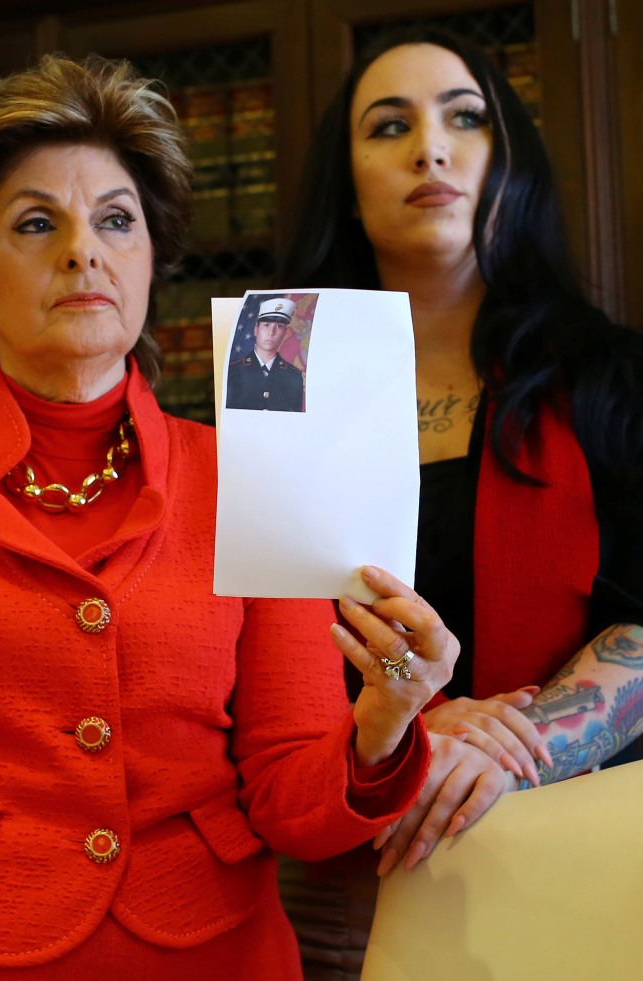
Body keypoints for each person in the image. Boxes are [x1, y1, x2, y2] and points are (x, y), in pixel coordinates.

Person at [0, 53, 458, 979]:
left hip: (216, 955)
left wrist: (385, 719)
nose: (86, 249)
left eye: (117, 221)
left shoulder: (255, 471)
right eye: (39, 222)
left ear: (150, 259)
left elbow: (290, 801)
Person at [278, 24, 643, 978]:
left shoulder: (614, 376)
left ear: (508, 162)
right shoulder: (282, 374)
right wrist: (401, 724)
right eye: (388, 126)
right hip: (335, 874)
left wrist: (506, 746)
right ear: (347, 188)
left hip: (576, 861)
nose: (430, 148)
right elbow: (242, 643)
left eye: (465, 118)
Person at [226, 296, 305, 411]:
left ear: (285, 332)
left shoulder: (294, 377)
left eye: (279, 326)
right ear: (256, 329)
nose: (271, 332)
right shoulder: (233, 371)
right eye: (266, 325)